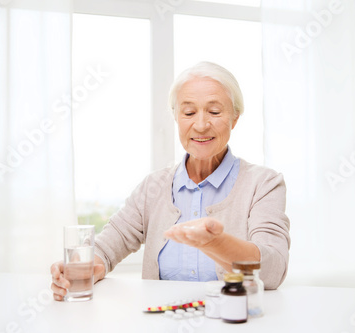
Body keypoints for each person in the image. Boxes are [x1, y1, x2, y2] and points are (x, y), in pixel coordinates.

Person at [51, 61, 290, 301]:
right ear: (176, 117)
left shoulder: (264, 184)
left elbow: (273, 270)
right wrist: (84, 268)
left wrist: (217, 243)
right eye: (188, 113)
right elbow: (108, 247)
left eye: (215, 112)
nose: (200, 125)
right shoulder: (152, 187)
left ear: (235, 118)